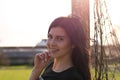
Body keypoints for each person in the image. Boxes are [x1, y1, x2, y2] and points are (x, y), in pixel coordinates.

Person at [29, 15, 91, 80]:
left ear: (73, 43)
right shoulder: (50, 67)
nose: (52, 43)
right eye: (50, 37)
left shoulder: (73, 77)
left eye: (60, 39)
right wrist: (36, 70)